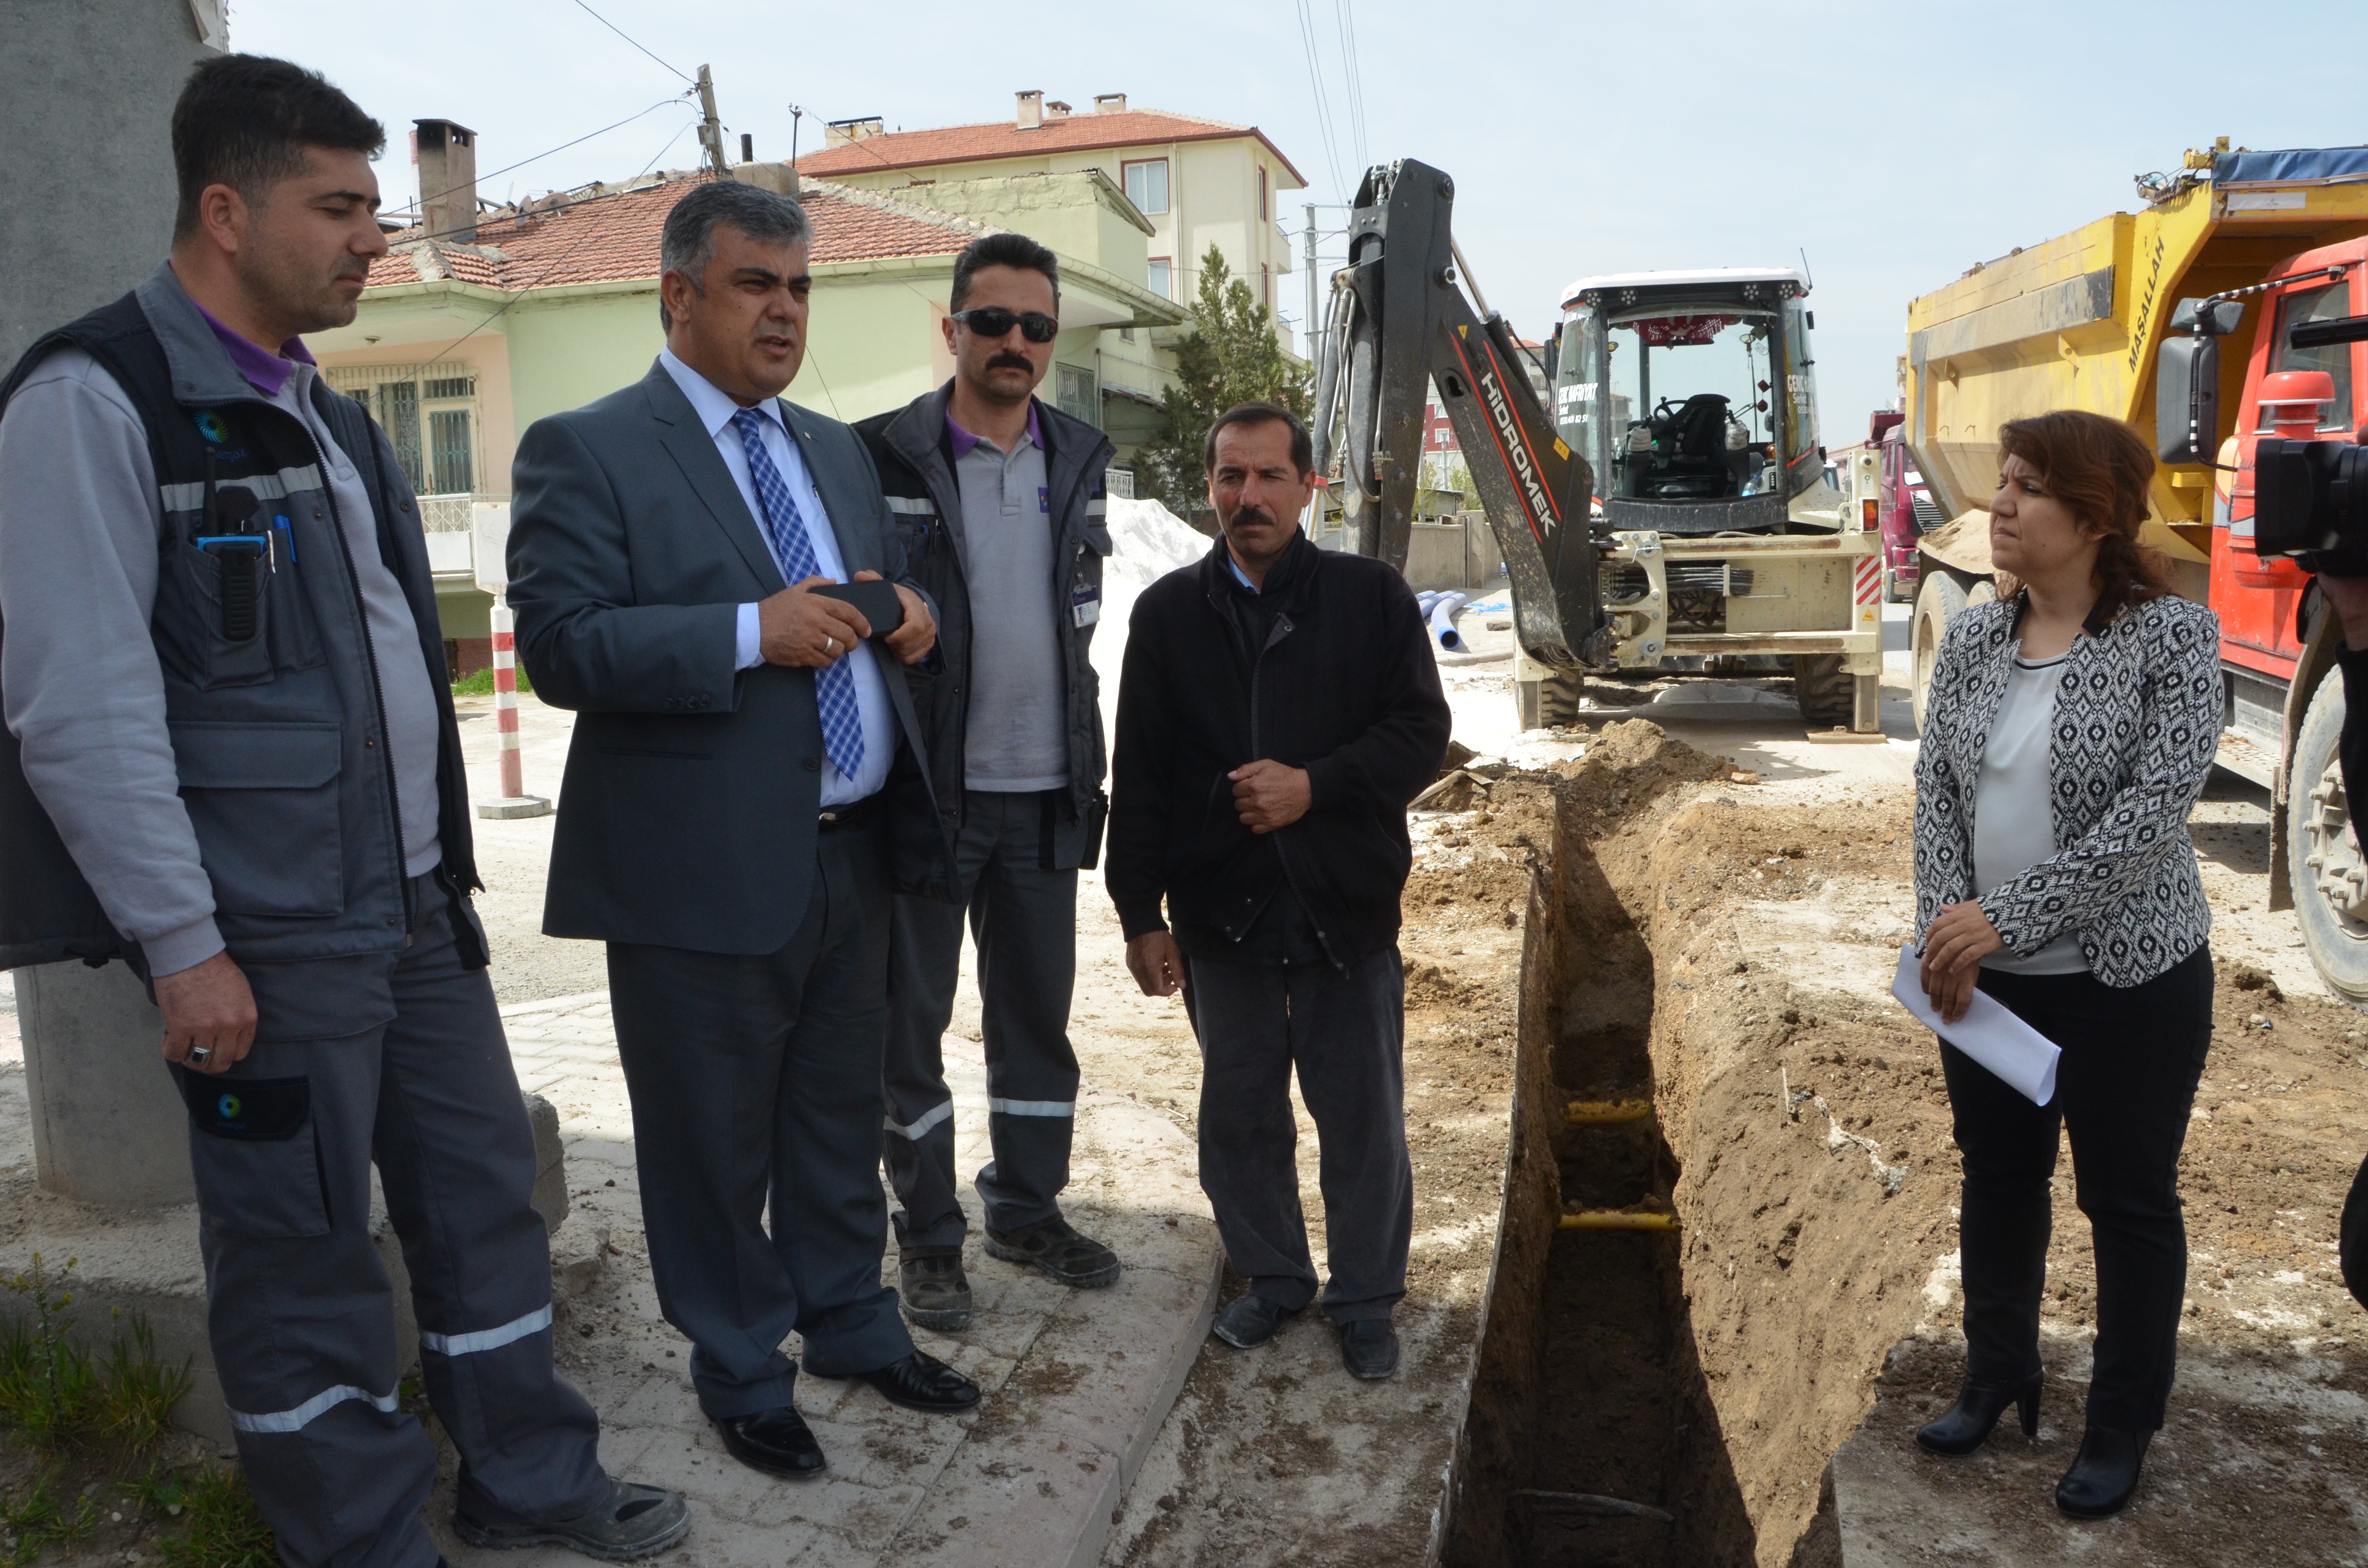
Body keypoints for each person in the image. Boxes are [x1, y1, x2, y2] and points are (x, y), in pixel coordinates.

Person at [0, 55, 686, 1566]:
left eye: (378, 204)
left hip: (415, 917)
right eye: (343, 207)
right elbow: (81, 707)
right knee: (303, 1259)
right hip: (268, 942)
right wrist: (187, 948)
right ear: (227, 210)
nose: (377, 238)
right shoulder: (94, 400)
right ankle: (363, 1541)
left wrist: (441, 890)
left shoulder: (318, 409)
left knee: (484, 1209)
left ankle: (530, 1478)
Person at [506, 178, 980, 1486]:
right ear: (678, 295)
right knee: (711, 1141)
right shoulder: (585, 446)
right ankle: (738, 1362)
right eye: (756, 285)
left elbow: (843, 591)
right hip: (695, 871)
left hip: (852, 854)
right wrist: (743, 634)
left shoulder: (831, 449)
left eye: (800, 287)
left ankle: (852, 1325)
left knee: (836, 1117)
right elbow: (561, 645)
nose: (786, 311)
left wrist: (900, 607)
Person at [1912, 409, 2221, 1519]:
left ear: (2093, 516)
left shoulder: (2173, 643)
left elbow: (2148, 820)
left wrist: (2000, 917)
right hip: (1987, 983)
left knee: (2126, 1202)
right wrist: (1948, 923)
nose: (1999, 505)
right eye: (2000, 482)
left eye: (2028, 487)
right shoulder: (1980, 638)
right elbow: (1935, 793)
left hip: (2129, 982)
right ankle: (1998, 1374)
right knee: (1996, 1179)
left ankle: (2118, 1424)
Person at [1106, 403, 1451, 1381]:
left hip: (1343, 908)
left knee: (1362, 1120)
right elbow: (1143, 778)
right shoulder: (1170, 615)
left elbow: (1418, 735)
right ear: (1209, 486)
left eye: (1266, 477)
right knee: (1241, 1112)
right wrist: (1140, 915)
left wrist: (1314, 786)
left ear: (1309, 487)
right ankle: (1272, 1279)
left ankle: (1364, 1299)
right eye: (1228, 478)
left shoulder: (1370, 598)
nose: (1245, 497)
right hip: (1222, 917)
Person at [852, 233, 1119, 1330]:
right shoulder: (879, 455)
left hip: (1046, 790)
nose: (1015, 343)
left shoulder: (1081, 455)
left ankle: (1024, 1207)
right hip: (929, 796)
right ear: (951, 327)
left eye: (1036, 326)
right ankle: (928, 1240)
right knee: (906, 1032)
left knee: (1033, 1024)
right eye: (993, 321)